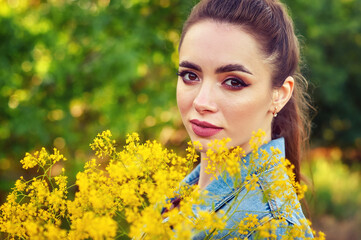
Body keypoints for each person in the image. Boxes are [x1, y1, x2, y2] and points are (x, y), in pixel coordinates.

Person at [175, 0, 313, 238]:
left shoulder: (271, 227)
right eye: (190, 75)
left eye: (233, 82)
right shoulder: (182, 196)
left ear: (279, 95)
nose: (201, 102)